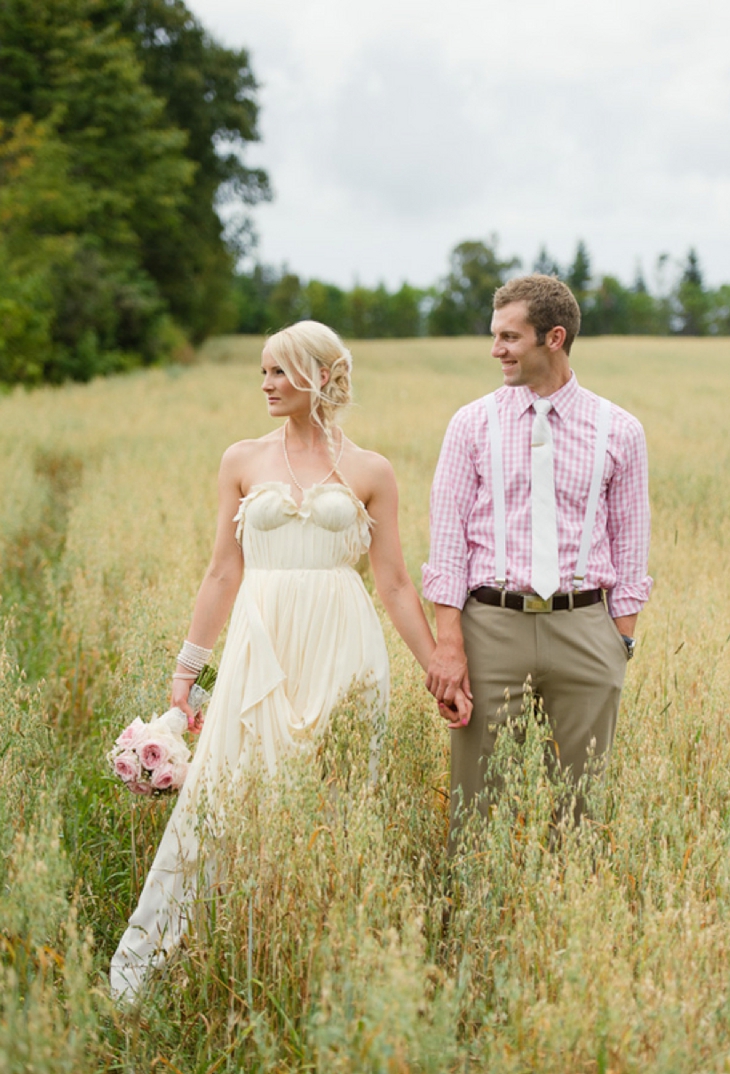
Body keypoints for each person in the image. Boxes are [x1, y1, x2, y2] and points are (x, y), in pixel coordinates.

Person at [110, 320, 470, 1000]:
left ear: (321, 376)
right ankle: (189, 958)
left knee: (332, 799)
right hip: (261, 642)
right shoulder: (241, 459)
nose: (267, 384)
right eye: (264, 371)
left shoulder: (371, 470)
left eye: (280, 371)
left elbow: (392, 580)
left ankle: (319, 960)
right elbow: (222, 571)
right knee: (228, 791)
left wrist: (436, 669)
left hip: (343, 645)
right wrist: (188, 670)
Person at [423, 274, 652, 851]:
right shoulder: (471, 423)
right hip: (490, 629)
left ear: (554, 337)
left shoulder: (619, 429)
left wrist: (619, 640)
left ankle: (567, 923)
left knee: (581, 807)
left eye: (509, 336)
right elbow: (447, 543)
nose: (495, 349)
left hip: (585, 629)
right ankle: (475, 926)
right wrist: (449, 645)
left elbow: (631, 542)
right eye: (495, 335)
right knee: (477, 807)